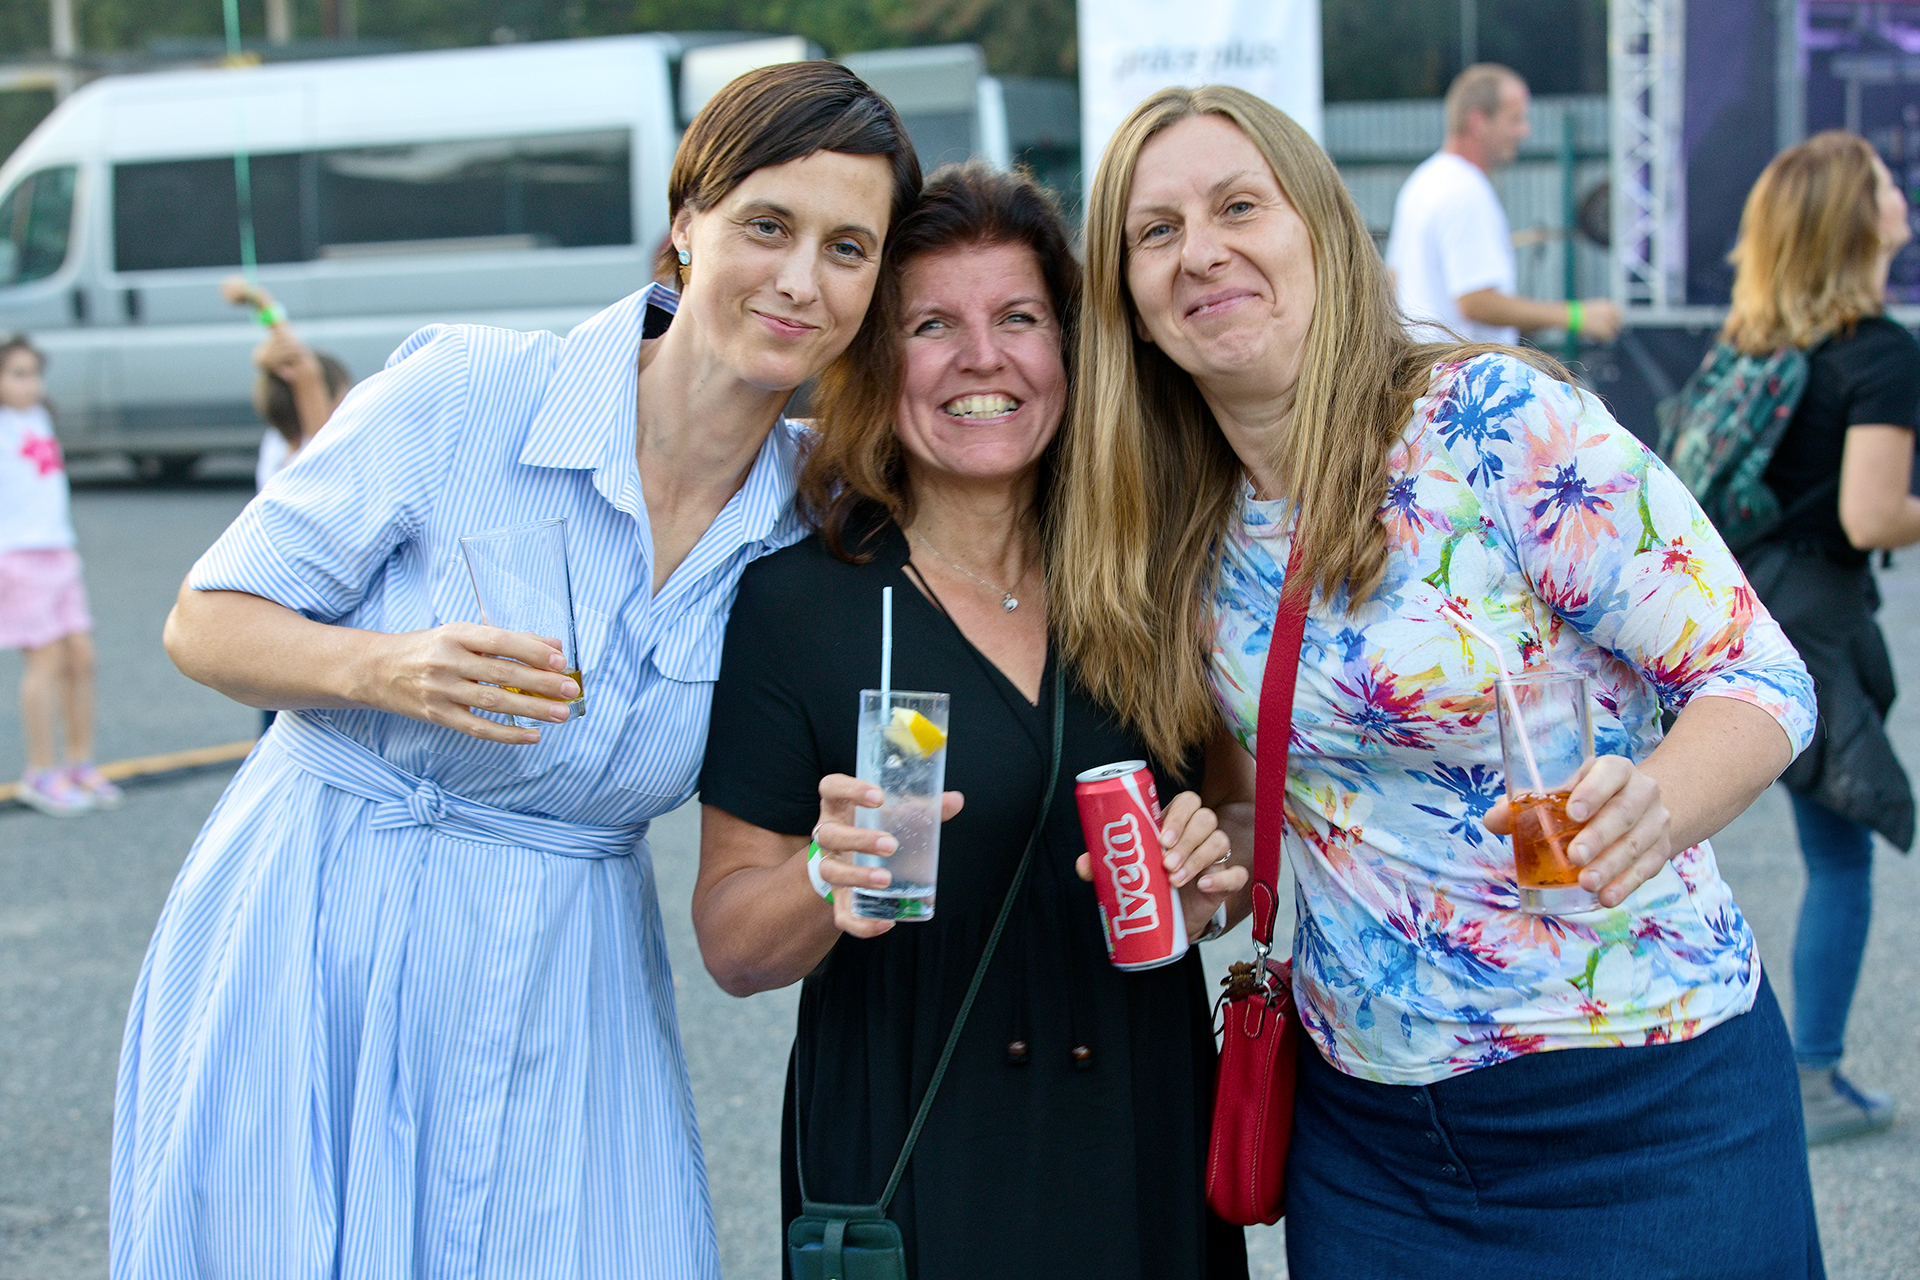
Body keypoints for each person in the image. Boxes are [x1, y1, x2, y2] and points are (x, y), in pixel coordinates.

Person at [111, 62, 918, 1279]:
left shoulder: (820, 516)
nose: (802, 279)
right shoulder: (470, 391)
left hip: (566, 971)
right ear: (687, 223)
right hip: (321, 924)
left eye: (847, 248)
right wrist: (386, 665)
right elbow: (204, 619)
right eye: (768, 225)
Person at [1054, 85, 1825, 1275]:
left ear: (1320, 230)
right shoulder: (1181, 523)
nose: (1199, 250)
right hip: (1371, 1140)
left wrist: (1660, 803)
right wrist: (1209, 867)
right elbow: (1284, 793)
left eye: (1238, 206)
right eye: (1155, 231)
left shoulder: (1495, 423)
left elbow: (1759, 670)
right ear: (1131, 306)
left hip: (1642, 1100)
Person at [695, 163, 1251, 1280]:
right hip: (917, 1156)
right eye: (932, 325)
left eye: (1020, 319)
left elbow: (1239, 821)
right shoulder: (803, 606)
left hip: (1138, 1131)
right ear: (876, 361)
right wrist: (823, 874)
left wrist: (1212, 875)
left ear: (1071, 351)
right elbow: (731, 944)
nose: (982, 358)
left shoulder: (1154, 581)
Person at [1724, 130, 1920, 1145]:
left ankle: (1786, 1067)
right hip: (1816, 621)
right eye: (1883, 182)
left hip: (1746, 605)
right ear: (1855, 219)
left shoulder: (1759, 343)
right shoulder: (1879, 352)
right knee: (1842, 853)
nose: (1899, 193)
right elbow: (1871, 514)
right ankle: (1813, 1074)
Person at [1385, 63, 1621, 346]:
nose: (1524, 131)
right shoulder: (1465, 190)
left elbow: (1393, 280)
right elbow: (1474, 301)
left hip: (1431, 366)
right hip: (1464, 369)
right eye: (1515, 119)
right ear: (1478, 121)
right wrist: (1575, 316)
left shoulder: (1421, 182)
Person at [0, 335, 120, 816]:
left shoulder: (38, 417)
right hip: (18, 555)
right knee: (45, 660)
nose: (31, 384)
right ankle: (40, 771)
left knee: (81, 657)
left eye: (35, 373)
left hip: (59, 550)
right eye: (18, 374)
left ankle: (79, 762)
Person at [220, 277, 353, 491]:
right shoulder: (315, 451)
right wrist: (261, 300)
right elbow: (303, 366)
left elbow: (297, 370)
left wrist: (265, 365)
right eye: (345, 397)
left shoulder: (275, 446)